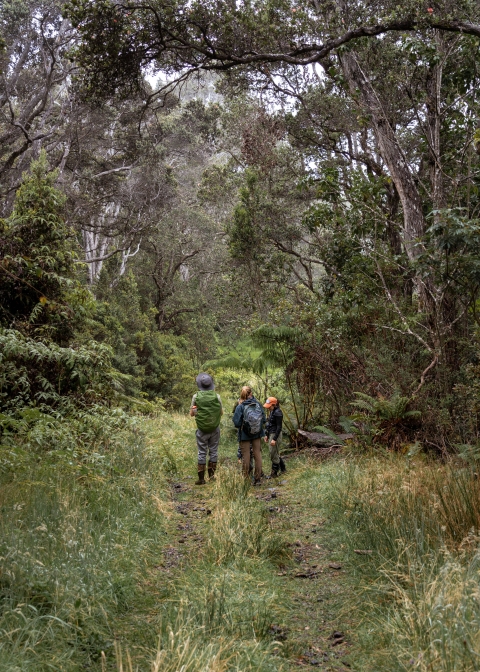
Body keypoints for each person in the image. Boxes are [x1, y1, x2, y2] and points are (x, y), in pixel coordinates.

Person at [190, 373, 223, 485]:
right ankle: (212, 477)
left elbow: (192, 414)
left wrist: (197, 412)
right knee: (213, 451)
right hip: (215, 428)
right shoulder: (217, 396)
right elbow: (221, 412)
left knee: (202, 452)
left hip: (202, 429)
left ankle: (201, 479)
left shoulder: (196, 397)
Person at [233, 386, 266, 485]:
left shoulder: (240, 407)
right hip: (257, 434)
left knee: (246, 457)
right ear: (251, 393)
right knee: (258, 455)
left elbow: (237, 423)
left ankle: (246, 479)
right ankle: (258, 479)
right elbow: (264, 420)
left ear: (242, 394)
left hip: (244, 435)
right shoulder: (258, 404)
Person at [263, 397, 286, 478]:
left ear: (274, 404)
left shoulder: (278, 413)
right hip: (271, 433)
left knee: (273, 453)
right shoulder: (272, 411)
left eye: (269, 406)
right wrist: (266, 435)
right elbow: (269, 425)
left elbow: (279, 427)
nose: (268, 407)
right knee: (274, 452)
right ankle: (283, 469)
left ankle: (274, 473)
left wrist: (274, 439)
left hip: (276, 434)